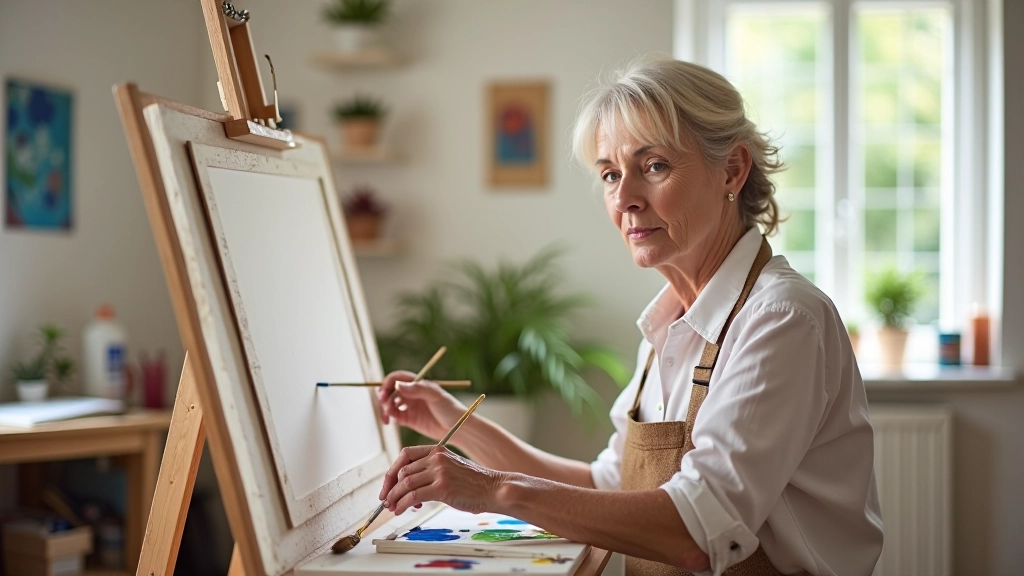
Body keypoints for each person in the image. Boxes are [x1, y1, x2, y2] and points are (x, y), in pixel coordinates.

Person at [376, 56, 883, 576]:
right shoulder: (669, 325)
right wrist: (458, 425)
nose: (625, 199)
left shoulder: (781, 319)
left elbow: (696, 532)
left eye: (654, 166)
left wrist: (491, 489)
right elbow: (605, 487)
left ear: (731, 169)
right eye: (610, 174)